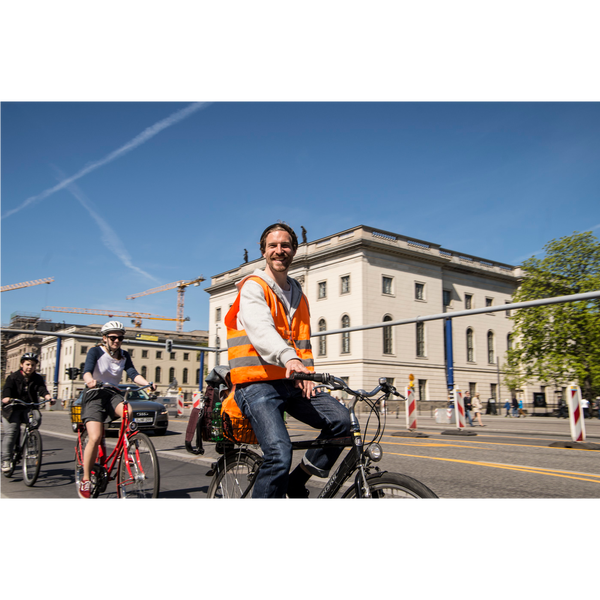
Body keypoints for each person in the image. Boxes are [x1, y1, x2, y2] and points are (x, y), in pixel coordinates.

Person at [225, 222, 351, 500]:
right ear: (263, 251)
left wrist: (308, 375)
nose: (279, 250)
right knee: (279, 453)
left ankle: (297, 482)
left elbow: (303, 343)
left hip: (291, 381)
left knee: (343, 422)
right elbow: (260, 329)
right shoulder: (253, 287)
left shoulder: (299, 295)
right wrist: (289, 358)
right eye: (273, 246)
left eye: (285, 245)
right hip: (256, 385)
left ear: (293, 250)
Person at [78, 321, 156, 500]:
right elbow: (87, 371)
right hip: (94, 394)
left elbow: (133, 373)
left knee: (128, 410)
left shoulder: (124, 355)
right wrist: (90, 380)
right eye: (113, 337)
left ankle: (128, 443)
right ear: (104, 338)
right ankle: (85, 478)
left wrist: (148, 384)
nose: (116, 341)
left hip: (113, 394)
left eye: (120, 338)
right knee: (95, 437)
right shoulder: (95, 351)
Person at [1, 353, 54, 472]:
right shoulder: (13, 377)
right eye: (27, 364)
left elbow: (42, 389)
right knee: (11, 432)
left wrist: (48, 397)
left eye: (33, 365)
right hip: (12, 408)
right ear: (21, 365)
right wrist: (7, 398)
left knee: (37, 418)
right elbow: (7, 389)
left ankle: (31, 437)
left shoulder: (37, 378)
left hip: (28, 407)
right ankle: (6, 460)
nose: (30, 367)